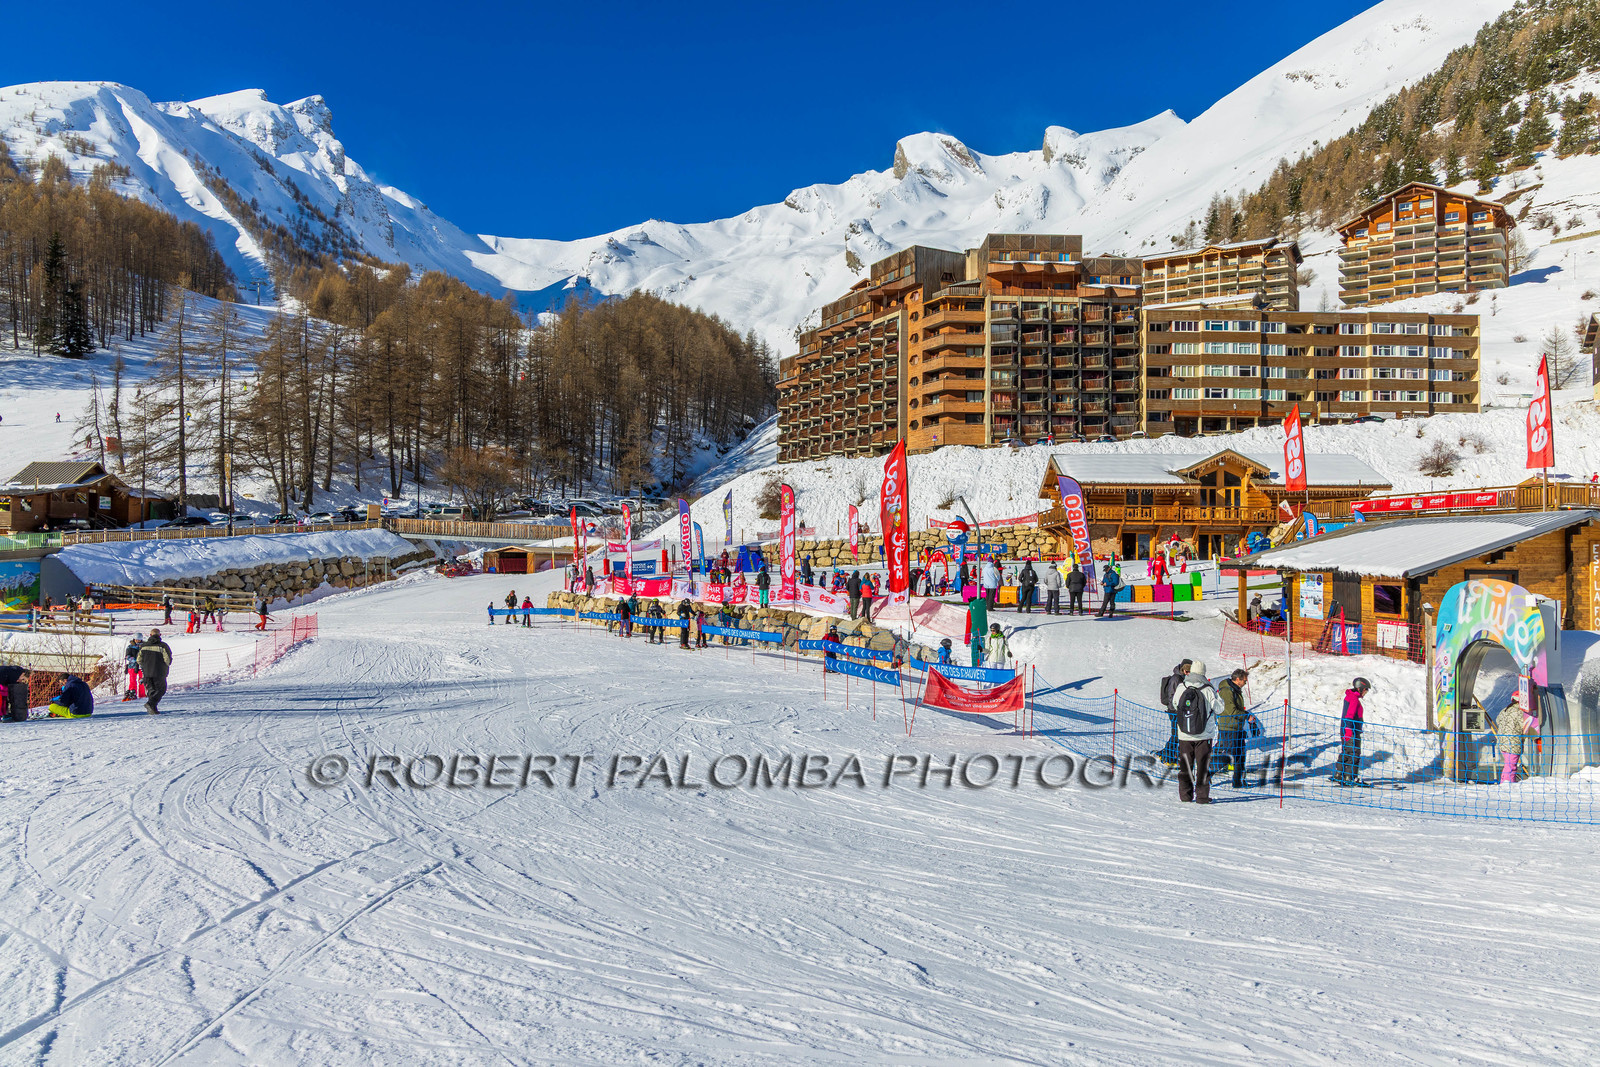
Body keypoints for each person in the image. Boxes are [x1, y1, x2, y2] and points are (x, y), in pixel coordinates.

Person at [1173, 660, 1222, 804]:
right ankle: (1202, 797)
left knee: (1185, 765)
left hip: (1184, 733)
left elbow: (1175, 704)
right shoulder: (1208, 689)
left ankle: (1185, 795)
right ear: (1203, 672)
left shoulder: (1182, 687)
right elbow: (1219, 709)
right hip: (1204, 734)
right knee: (1202, 766)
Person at [1213, 668, 1250, 788]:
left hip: (1237, 727)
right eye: (1244, 680)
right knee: (1229, 755)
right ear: (1238, 679)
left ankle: (1238, 782)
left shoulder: (1235, 690)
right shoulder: (1227, 691)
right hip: (1228, 727)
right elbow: (1231, 711)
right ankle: (1207, 773)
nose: (1245, 683)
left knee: (1240, 755)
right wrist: (1246, 716)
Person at [1332, 677, 1372, 786]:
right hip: (1351, 730)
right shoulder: (1354, 699)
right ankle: (1350, 777)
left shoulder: (1350, 697)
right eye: (1366, 689)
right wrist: (1349, 730)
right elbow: (1349, 715)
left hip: (1346, 729)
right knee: (1354, 753)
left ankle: (1339, 774)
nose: (1366, 692)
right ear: (1360, 688)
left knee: (1346, 751)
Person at [1495, 692, 1539, 784]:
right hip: (1513, 743)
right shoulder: (1520, 711)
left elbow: (1498, 720)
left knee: (1508, 765)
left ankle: (1503, 782)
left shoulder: (1505, 710)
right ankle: (1507, 784)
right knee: (1511, 767)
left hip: (1503, 742)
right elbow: (1526, 725)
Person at [1159, 659, 1192, 766]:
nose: (1189, 674)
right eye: (1188, 671)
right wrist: (1178, 709)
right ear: (1183, 670)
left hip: (1180, 710)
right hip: (1174, 711)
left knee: (1179, 734)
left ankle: (1166, 752)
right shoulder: (1176, 679)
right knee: (1177, 734)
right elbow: (1172, 696)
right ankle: (1167, 756)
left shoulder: (1183, 678)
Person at [139, 628, 172, 714]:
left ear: (150, 635)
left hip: (147, 672)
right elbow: (167, 659)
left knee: (151, 690)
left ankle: (153, 708)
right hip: (159, 671)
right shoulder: (163, 646)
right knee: (161, 689)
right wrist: (166, 666)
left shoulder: (143, 646)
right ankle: (151, 704)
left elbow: (139, 660)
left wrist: (144, 666)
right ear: (160, 635)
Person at [965, 595, 989, 668]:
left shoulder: (971, 611)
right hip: (981, 635)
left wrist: (967, 640)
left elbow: (968, 625)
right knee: (980, 654)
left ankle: (977, 667)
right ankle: (978, 666)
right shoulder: (981, 606)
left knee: (977, 654)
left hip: (976, 636)